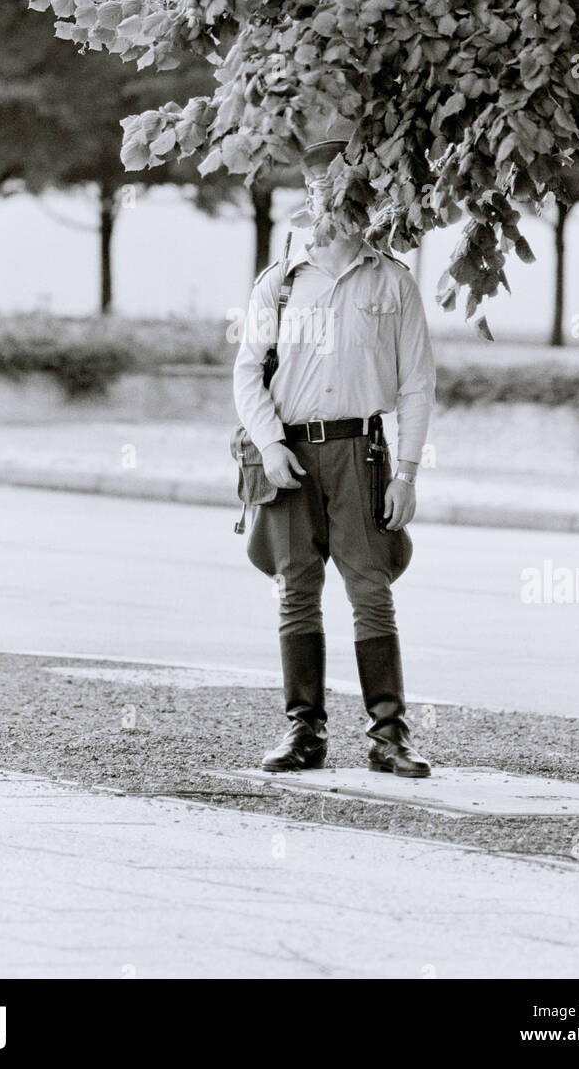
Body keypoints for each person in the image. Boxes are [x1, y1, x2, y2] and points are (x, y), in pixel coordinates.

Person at [232, 110, 437, 777]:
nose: (339, 209)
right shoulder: (281, 281)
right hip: (291, 451)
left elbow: (416, 385)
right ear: (313, 199)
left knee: (370, 589)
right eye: (327, 196)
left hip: (361, 452)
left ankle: (388, 736)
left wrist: (406, 474)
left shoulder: (394, 281)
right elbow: (246, 371)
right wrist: (268, 445)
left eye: (352, 196)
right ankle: (304, 734)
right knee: (296, 588)